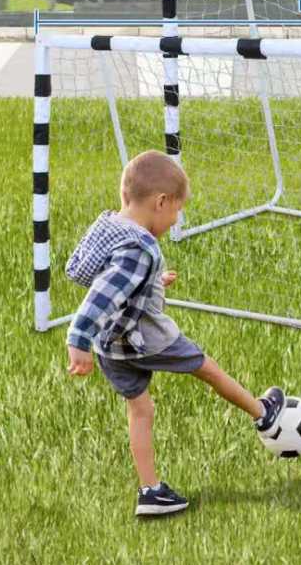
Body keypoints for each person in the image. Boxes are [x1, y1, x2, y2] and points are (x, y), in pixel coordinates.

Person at [65, 150, 287, 516]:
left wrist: (152, 280)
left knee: (140, 410)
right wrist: (77, 340)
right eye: (177, 210)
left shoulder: (109, 228)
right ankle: (264, 414)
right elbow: (99, 296)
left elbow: (95, 273)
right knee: (208, 369)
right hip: (146, 337)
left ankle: (150, 492)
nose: (176, 218)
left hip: (112, 347)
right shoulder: (138, 249)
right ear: (160, 201)